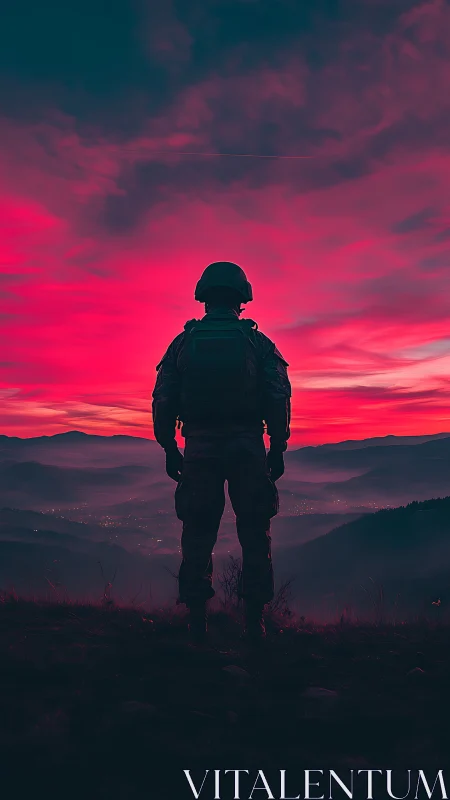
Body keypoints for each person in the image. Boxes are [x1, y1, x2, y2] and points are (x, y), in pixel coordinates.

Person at [152, 261, 291, 643]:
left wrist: (169, 446)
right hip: (248, 446)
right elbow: (278, 397)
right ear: (241, 298)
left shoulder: (183, 343)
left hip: (198, 447)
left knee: (197, 533)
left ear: (204, 295)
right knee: (254, 532)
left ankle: (198, 620)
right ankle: (254, 622)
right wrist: (277, 447)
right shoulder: (257, 343)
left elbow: (164, 398)